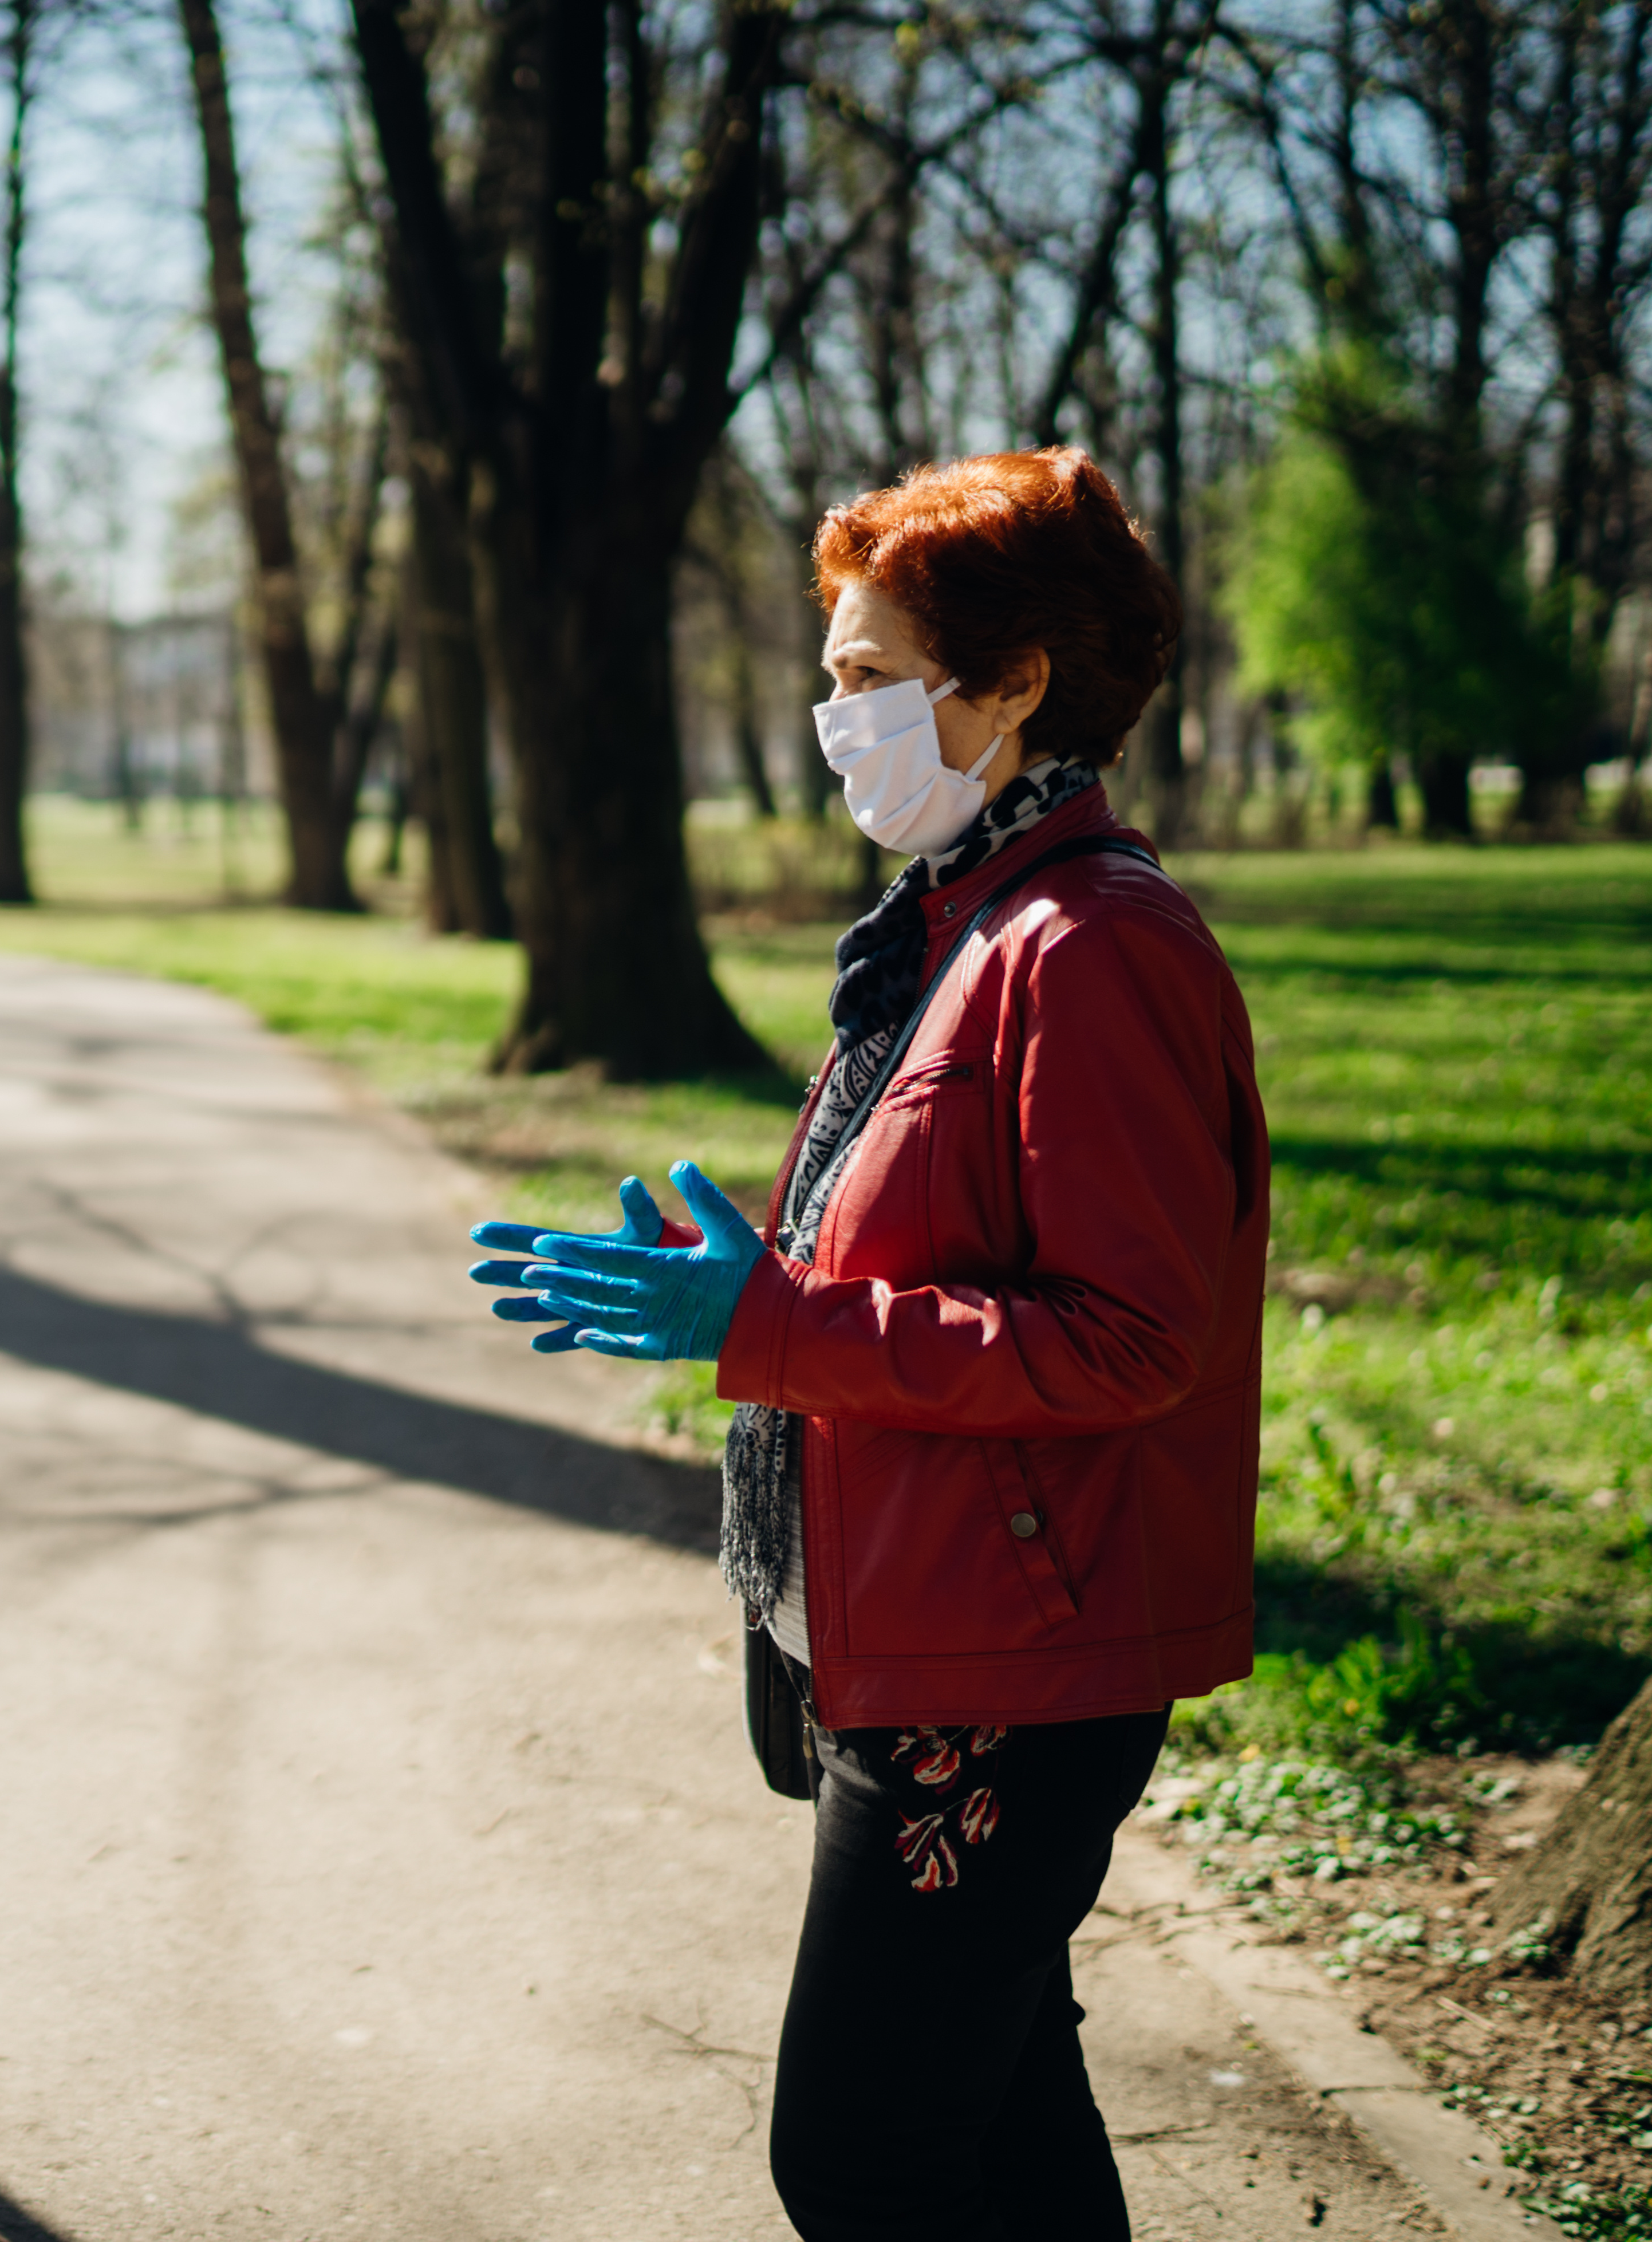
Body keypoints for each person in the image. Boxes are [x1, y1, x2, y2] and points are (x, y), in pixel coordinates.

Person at [466, 448, 1268, 2240]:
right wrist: (750, 1272)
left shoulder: (1093, 945)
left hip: (1011, 1670)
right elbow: (936, 1233)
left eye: (863, 675)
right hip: (929, 1634)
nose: (831, 717)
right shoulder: (963, 924)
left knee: (863, 2155)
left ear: (1014, 683)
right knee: (995, 2127)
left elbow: (1133, 1338)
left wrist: (775, 1316)